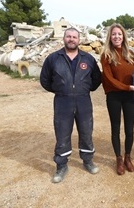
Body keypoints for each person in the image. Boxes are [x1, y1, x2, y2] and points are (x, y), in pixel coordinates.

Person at [40, 27, 102, 183]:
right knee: (62, 135)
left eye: (75, 37)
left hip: (83, 101)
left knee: (86, 132)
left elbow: (96, 80)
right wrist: (61, 90)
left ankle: (88, 160)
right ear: (64, 38)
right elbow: (45, 81)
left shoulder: (88, 59)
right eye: (69, 36)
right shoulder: (53, 58)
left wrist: (83, 89)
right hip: (62, 102)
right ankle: (61, 166)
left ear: (79, 40)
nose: (71, 39)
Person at [100, 23, 134, 175]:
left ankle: (128, 157)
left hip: (129, 96)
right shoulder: (106, 55)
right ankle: (118, 158)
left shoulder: (130, 54)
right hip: (114, 95)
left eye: (119, 34)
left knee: (129, 129)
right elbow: (109, 79)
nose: (117, 37)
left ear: (124, 36)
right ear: (110, 37)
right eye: (114, 34)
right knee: (115, 128)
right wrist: (127, 87)